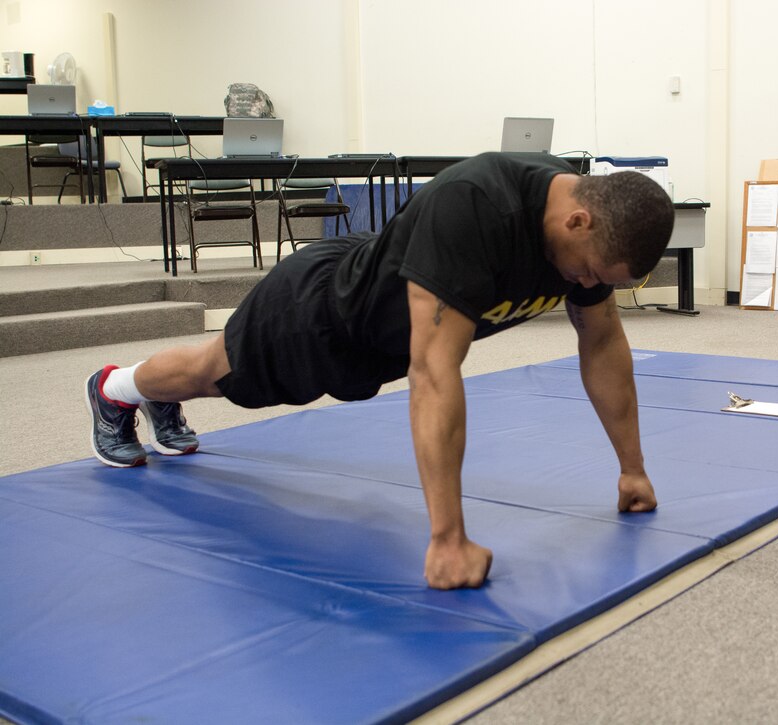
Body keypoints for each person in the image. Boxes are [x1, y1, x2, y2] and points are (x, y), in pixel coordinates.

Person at [83, 152, 676, 590]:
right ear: (578, 222)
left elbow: (603, 344)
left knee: (213, 375)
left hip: (383, 333)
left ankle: (152, 399)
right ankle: (117, 389)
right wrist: (448, 540)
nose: (589, 286)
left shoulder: (582, 235)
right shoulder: (478, 205)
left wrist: (633, 470)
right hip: (321, 315)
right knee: (214, 373)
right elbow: (435, 371)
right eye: (593, 272)